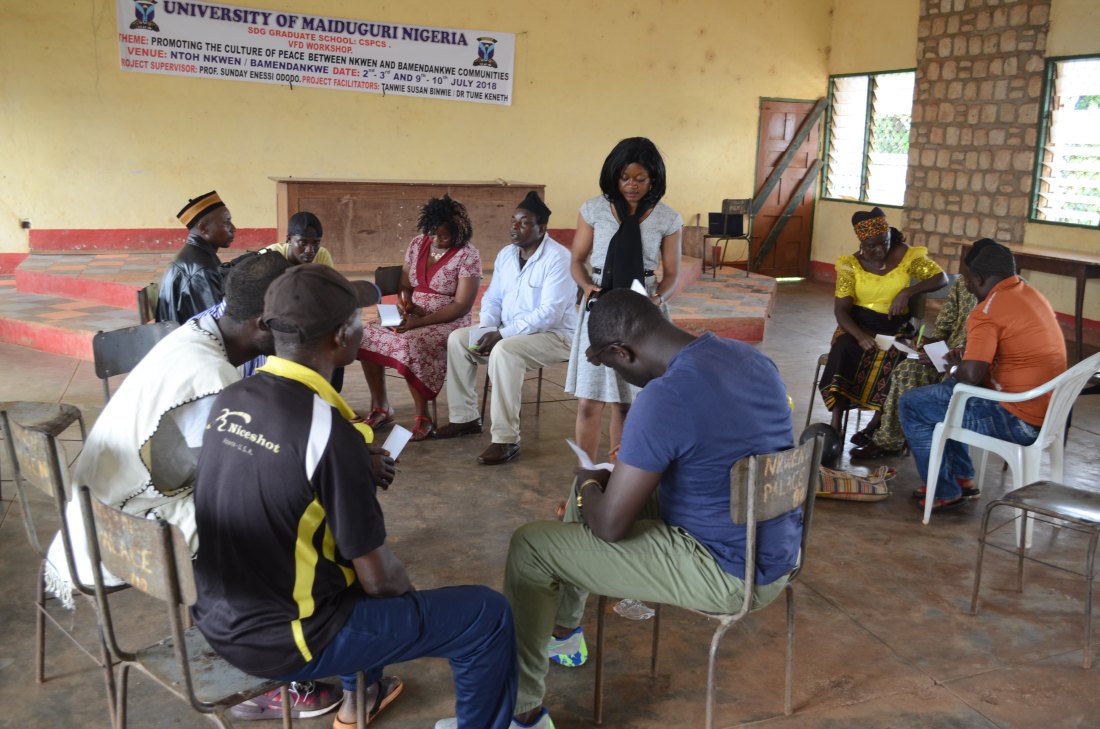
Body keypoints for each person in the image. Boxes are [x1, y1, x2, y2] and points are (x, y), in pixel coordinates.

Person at [192, 264, 517, 729]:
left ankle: (359, 697)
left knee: (349, 570)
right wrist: (412, 612)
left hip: (219, 617)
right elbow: (382, 581)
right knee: (485, 615)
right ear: (343, 336)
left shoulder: (232, 396)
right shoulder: (331, 434)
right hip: (288, 640)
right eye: (361, 318)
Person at [503, 289, 797, 729]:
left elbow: (609, 527)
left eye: (611, 366)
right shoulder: (749, 359)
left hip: (728, 571)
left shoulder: (665, 396)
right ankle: (563, 631)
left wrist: (588, 484)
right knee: (597, 486)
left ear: (623, 351)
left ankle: (517, 713)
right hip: (774, 546)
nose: (618, 376)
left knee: (531, 546)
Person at [900, 241, 1067, 512]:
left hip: (1017, 420)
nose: (965, 286)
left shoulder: (987, 311)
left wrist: (952, 368)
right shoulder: (1030, 295)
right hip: (1047, 411)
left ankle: (945, 490)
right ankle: (963, 477)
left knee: (915, 404)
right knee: (947, 396)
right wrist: (963, 361)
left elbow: (971, 377)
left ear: (978, 278)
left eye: (966, 279)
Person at [435, 192, 576, 465]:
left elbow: (549, 313)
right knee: (458, 339)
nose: (515, 227)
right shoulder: (506, 255)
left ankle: (505, 439)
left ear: (541, 228)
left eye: (524, 223)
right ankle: (465, 419)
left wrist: (501, 334)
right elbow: (494, 297)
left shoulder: (559, 258)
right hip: (508, 330)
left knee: (504, 352)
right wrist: (487, 327)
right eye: (513, 221)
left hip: (555, 336)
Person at [565, 137, 683, 462]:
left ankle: (619, 475)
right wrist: (587, 286)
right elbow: (576, 259)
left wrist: (659, 298)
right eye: (624, 178)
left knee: (628, 402)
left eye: (640, 179)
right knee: (589, 400)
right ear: (614, 176)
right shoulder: (594, 210)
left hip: (644, 312)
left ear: (654, 179)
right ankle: (586, 475)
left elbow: (672, 272)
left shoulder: (668, 219)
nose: (631, 185)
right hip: (601, 307)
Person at [850, 244, 994, 459]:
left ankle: (935, 448)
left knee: (945, 385)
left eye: (971, 273)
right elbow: (945, 324)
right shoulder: (963, 285)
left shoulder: (999, 299)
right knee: (905, 370)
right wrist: (930, 343)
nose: (967, 279)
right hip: (945, 355)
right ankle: (888, 441)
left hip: (972, 364)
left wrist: (955, 356)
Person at [357, 195, 482, 441]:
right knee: (365, 333)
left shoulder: (468, 256)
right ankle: (381, 407)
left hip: (449, 321)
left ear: (458, 230)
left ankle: (423, 416)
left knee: (411, 342)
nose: (436, 240)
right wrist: (406, 305)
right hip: (413, 315)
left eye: (443, 236)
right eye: (433, 234)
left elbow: (461, 306)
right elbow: (405, 284)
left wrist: (420, 321)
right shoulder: (418, 243)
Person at [817, 207, 948, 441]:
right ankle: (835, 423)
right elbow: (841, 310)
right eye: (871, 246)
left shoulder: (907, 257)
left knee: (896, 358)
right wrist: (859, 335)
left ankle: (876, 425)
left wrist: (908, 292)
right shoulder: (851, 265)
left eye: (884, 242)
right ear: (861, 243)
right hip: (859, 325)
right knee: (843, 348)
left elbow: (941, 278)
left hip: (894, 327)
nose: (879, 250)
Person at [157, 190, 236, 324]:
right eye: (226, 222)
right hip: (184, 340)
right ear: (203, 228)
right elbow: (214, 323)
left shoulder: (195, 254)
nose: (233, 228)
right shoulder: (202, 269)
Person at [263, 211, 335, 267]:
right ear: (289, 239)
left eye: (316, 243)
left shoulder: (322, 256)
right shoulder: (270, 255)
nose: (310, 250)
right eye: (303, 243)